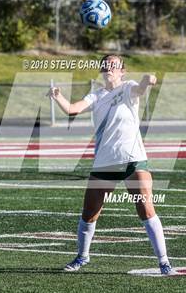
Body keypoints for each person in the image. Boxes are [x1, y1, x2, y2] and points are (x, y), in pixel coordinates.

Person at [49, 54, 174, 275]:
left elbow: (141, 89)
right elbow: (72, 109)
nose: (109, 67)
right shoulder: (96, 95)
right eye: (105, 64)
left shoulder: (128, 87)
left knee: (146, 209)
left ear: (122, 70)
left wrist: (148, 80)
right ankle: (82, 256)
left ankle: (164, 262)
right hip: (105, 163)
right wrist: (58, 97)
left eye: (113, 65)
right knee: (89, 214)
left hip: (132, 160)